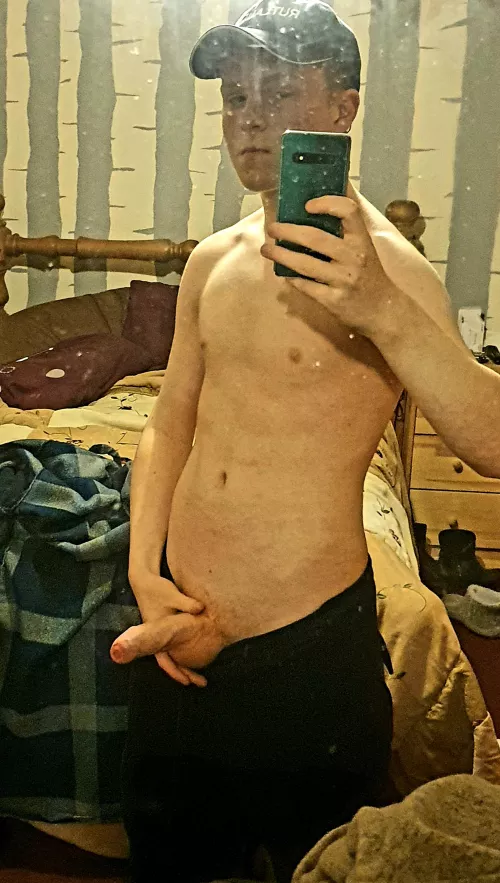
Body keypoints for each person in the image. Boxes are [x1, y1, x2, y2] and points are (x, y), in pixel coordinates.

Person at [111, 2, 500, 881]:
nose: (250, 117)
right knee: (167, 859)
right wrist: (144, 572)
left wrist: (382, 309)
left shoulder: (394, 271)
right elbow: (169, 420)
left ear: (343, 110)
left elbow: (489, 442)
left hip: (308, 652)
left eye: (281, 92)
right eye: (235, 97)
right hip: (174, 632)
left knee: (320, 863)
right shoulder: (212, 259)